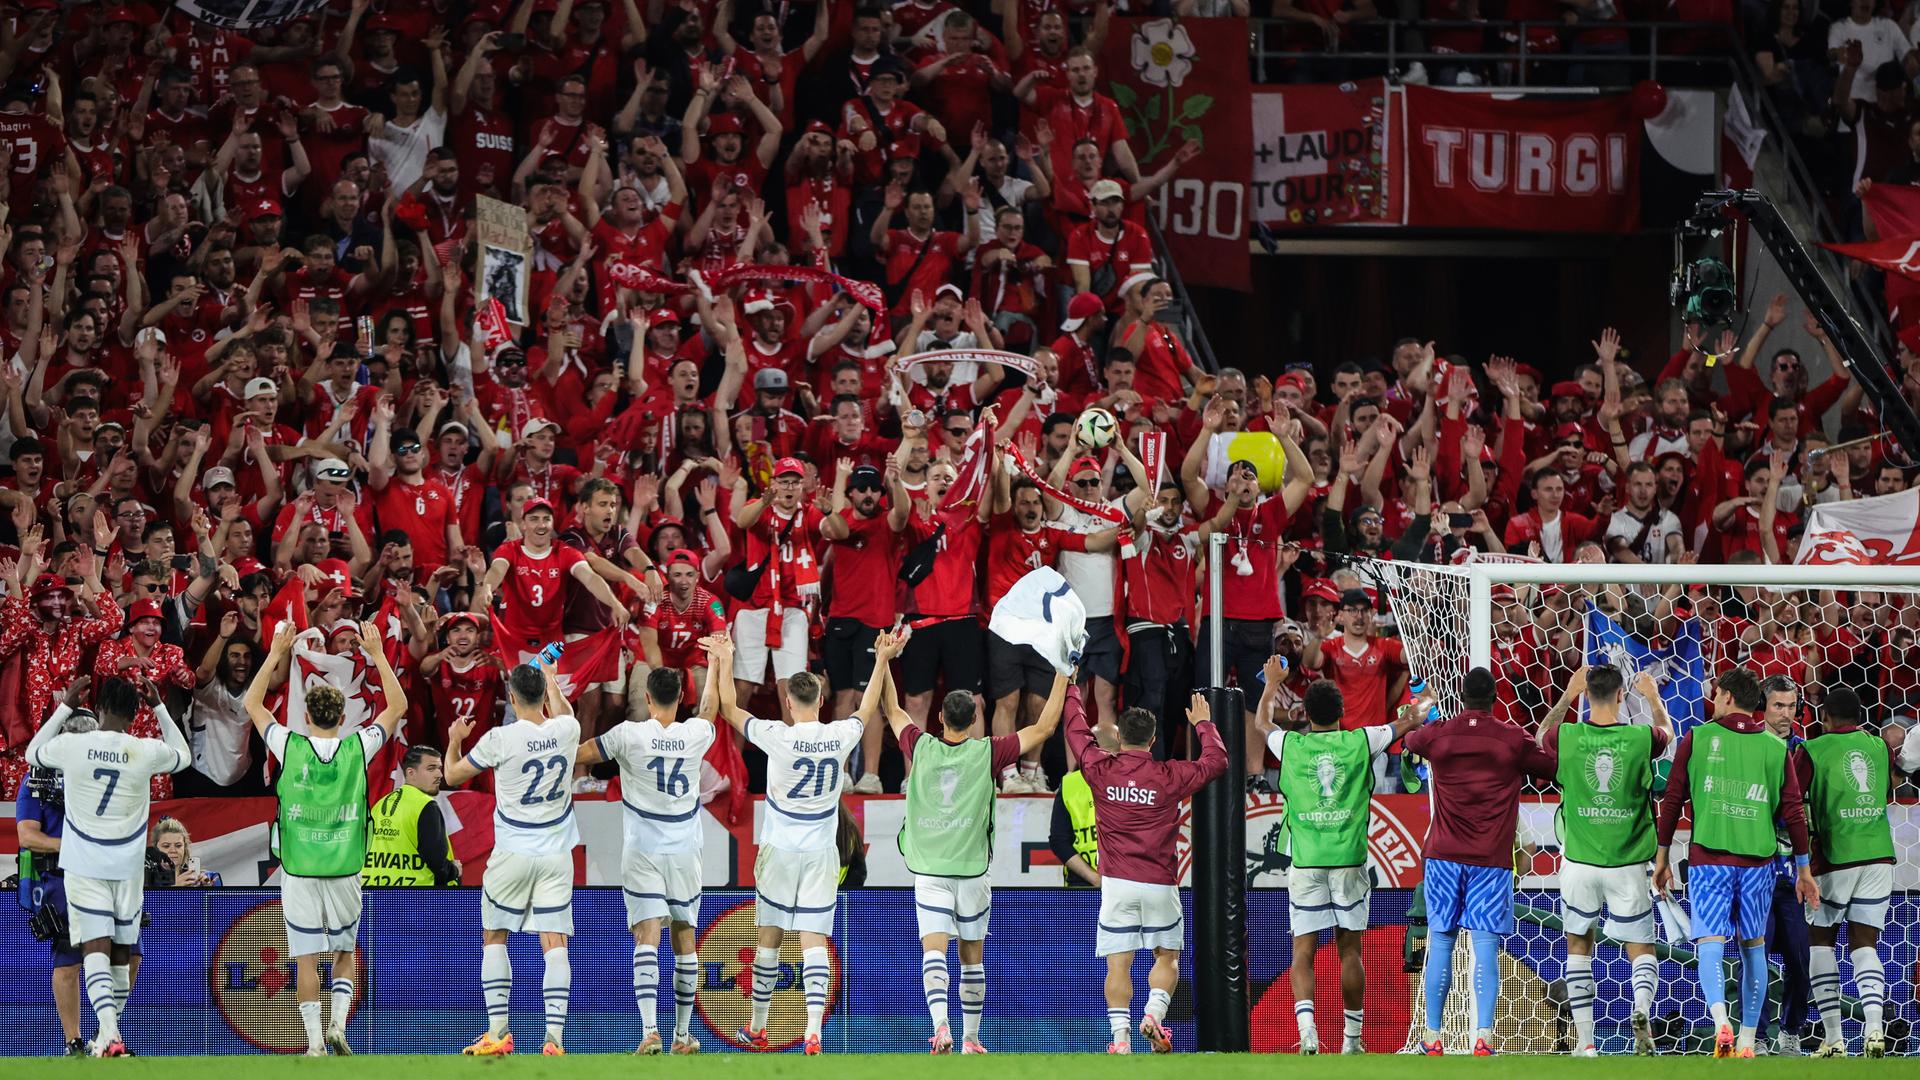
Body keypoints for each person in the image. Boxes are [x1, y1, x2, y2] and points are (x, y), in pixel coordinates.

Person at [870, 627, 1068, 1053]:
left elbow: (890, 707)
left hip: (929, 870)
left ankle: (940, 1026)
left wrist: (884, 660)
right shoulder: (989, 753)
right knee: (972, 957)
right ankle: (970, 1039)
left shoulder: (919, 746)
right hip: (973, 872)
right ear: (975, 719)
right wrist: (1063, 673)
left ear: (940, 719)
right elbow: (1046, 725)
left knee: (934, 953)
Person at [246, 620, 406, 1056]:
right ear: (341, 717)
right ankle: (338, 1025)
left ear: (307, 715)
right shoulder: (359, 746)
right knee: (344, 952)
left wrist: (277, 650)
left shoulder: (286, 743)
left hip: (299, 868)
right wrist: (376, 653)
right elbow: (397, 705)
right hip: (346, 867)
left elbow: (253, 703)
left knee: (305, 959)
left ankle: (315, 1044)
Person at [705, 631, 863, 1055]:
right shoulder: (841, 735)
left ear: (789, 703)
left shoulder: (777, 734)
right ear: (822, 700)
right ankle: (814, 1031)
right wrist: (881, 661)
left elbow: (728, 708)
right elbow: (868, 707)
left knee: (769, 941)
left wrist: (724, 658)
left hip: (780, 849)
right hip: (819, 853)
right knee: (814, 940)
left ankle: (758, 1026)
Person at [1654, 667, 1819, 1058]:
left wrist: (1662, 858)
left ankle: (1719, 1019)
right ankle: (1748, 1039)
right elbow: (1794, 813)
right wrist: (1804, 869)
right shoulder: (1776, 749)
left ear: (1726, 696)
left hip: (1709, 860)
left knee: (1710, 943)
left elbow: (1672, 801)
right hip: (1759, 865)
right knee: (1753, 948)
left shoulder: (1698, 737)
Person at [24, 675, 191, 1058]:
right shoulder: (145, 750)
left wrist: (65, 704)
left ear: (98, 709)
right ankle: (109, 1036)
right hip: (127, 866)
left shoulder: (73, 746)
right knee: (120, 950)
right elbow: (182, 756)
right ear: (135, 715)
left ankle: (108, 1035)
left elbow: (33, 752)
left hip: (84, 863)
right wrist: (161, 707)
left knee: (94, 946)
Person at [1259, 671, 1425, 1055]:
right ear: (1343, 710)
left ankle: (1307, 1033)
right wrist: (1421, 697)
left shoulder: (1292, 746)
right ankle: (1352, 1042)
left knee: (1302, 951)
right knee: (1350, 951)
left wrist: (1271, 682)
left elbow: (1262, 723)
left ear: (1306, 714)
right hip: (1349, 860)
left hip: (1306, 861)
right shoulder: (1361, 740)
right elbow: (1412, 719)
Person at [1403, 666, 1558, 1056]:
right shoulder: (1511, 738)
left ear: (1462, 694)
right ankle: (1484, 1037)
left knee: (1441, 941)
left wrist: (1428, 706)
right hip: (1491, 860)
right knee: (1485, 946)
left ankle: (1432, 1036)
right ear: (1494, 698)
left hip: (1443, 857)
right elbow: (1552, 767)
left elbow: (1410, 739)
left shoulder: (1439, 735)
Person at [1063, 684, 1227, 1053]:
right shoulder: (1169, 775)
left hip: (1117, 883)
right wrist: (1203, 725)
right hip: (1158, 883)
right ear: (1153, 741)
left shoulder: (1100, 768)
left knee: (1118, 964)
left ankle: (1120, 1041)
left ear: (1118, 737)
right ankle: (1153, 1015)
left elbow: (1075, 731)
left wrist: (1073, 689)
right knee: (1167, 956)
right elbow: (1217, 762)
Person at [574, 664, 719, 1054]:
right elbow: (709, 711)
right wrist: (719, 663)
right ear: (681, 698)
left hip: (642, 849)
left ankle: (650, 1030)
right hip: (685, 849)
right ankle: (682, 1036)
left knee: (646, 933)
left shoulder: (628, 735)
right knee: (685, 936)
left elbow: (581, 753)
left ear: (648, 698)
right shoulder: (696, 733)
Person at [446, 658, 583, 1056]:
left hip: (512, 852)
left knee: (494, 936)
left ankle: (498, 1032)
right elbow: (566, 713)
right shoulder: (567, 728)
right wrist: (554, 681)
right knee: (554, 942)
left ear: (510, 697)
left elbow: (452, 776)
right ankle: (554, 1038)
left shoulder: (499, 739)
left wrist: (455, 738)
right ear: (543, 695)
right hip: (556, 853)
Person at [1535, 664, 1672, 1057]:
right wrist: (1652, 697)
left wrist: (1566, 694)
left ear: (1587, 694)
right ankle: (1641, 1010)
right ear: (1619, 696)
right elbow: (1670, 737)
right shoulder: (1640, 737)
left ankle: (1586, 1042)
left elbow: (1540, 734)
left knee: (1578, 944)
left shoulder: (1568, 735)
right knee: (1641, 946)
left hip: (1579, 862)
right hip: (1627, 863)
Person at [1795, 686, 1897, 1058]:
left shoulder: (1811, 750)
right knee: (1865, 944)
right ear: (1860, 717)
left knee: (1820, 940)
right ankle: (1874, 1029)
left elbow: (1793, 803)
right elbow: (1885, 794)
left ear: (1825, 717)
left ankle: (1834, 1038)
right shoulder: (1878, 747)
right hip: (1879, 856)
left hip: (1834, 858)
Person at [363, 745, 462, 887]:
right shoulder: (425, 805)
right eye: (431, 768)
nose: (439, 774)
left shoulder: (379, 805)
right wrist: (454, 871)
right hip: (416, 899)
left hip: (374, 895)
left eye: (439, 768)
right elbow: (436, 862)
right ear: (411, 773)